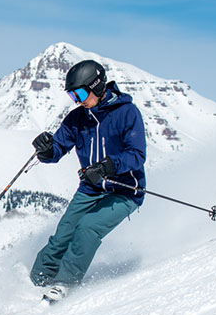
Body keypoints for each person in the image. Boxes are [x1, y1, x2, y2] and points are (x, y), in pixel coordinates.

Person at [29, 59, 146, 302]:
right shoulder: (77, 119)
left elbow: (137, 155)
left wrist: (109, 166)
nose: (78, 100)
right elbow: (58, 149)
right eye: (73, 95)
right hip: (90, 189)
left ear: (98, 86)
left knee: (87, 228)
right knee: (64, 232)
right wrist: (46, 149)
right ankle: (37, 279)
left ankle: (64, 283)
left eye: (80, 93)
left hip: (124, 190)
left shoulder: (127, 113)